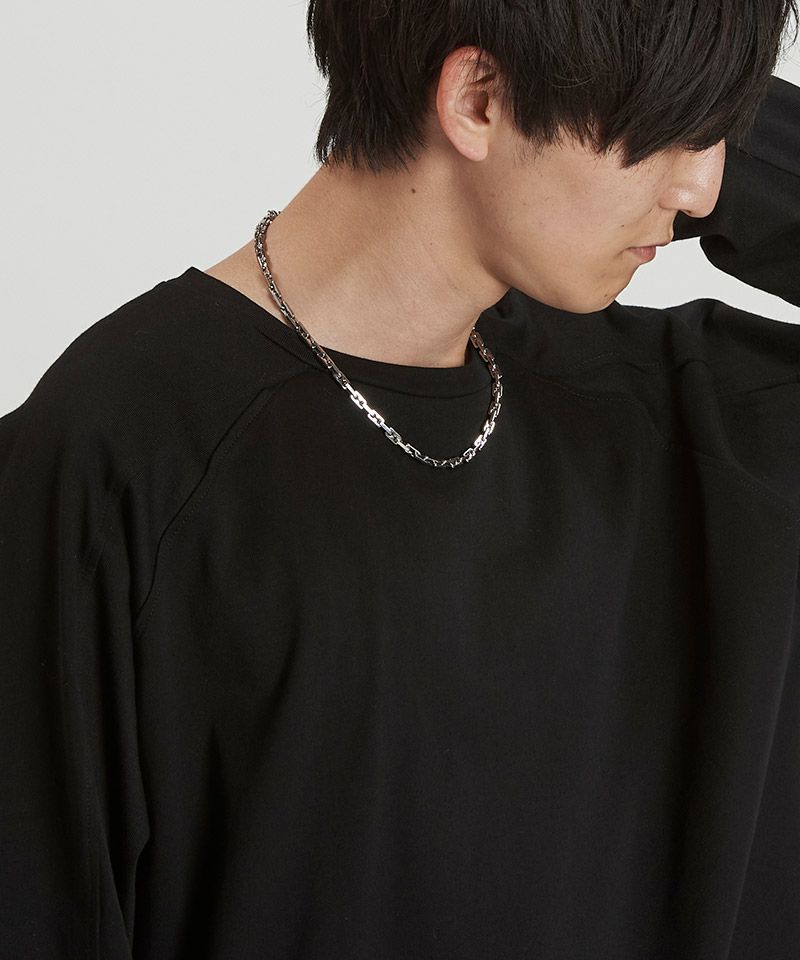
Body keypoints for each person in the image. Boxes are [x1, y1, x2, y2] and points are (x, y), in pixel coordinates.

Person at [1, 1, 799, 957]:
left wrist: (693, 67)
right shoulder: (120, 459)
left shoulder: (683, 418)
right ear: (477, 98)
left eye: (721, 132)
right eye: (676, 130)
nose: (703, 186)